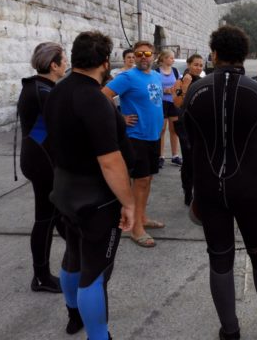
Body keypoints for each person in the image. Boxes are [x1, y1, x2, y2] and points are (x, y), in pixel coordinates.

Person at [182, 26, 257, 340]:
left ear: (214, 54)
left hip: (209, 188)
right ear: (245, 56)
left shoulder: (196, 89)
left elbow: (188, 137)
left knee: (220, 258)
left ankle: (230, 331)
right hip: (249, 187)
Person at [45, 31, 136, 339]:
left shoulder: (57, 90)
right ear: (104, 62)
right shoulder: (95, 100)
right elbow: (110, 161)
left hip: (65, 191)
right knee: (95, 272)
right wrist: (129, 202)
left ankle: (74, 315)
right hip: (96, 201)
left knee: (73, 256)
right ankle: (99, 335)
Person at [103, 41, 165, 248]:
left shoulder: (155, 75)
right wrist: (120, 117)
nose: (143, 57)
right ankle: (136, 228)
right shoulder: (127, 77)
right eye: (139, 54)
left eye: (147, 53)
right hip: (136, 137)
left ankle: (142, 217)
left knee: (147, 179)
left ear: (154, 55)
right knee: (140, 181)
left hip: (153, 135)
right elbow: (103, 96)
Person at [17, 42, 68, 293]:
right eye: (64, 60)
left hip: (39, 157)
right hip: (42, 161)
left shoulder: (38, 87)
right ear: (54, 65)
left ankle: (82, 254)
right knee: (46, 218)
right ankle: (41, 276)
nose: (67, 63)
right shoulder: (43, 91)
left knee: (58, 214)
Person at [172, 53, 205, 205]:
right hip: (184, 124)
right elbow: (178, 103)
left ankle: (198, 191)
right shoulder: (180, 81)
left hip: (200, 124)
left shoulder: (203, 82)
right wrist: (185, 85)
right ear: (188, 64)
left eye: (201, 65)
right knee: (189, 158)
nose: (198, 68)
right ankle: (187, 190)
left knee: (200, 158)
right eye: (195, 64)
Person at [156, 49, 182, 168]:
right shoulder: (156, 72)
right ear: (164, 58)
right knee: (162, 130)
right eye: (171, 58)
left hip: (173, 103)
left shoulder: (175, 71)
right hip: (161, 103)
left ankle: (175, 156)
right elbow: (151, 87)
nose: (173, 60)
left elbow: (179, 85)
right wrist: (164, 90)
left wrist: (176, 90)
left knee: (174, 130)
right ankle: (160, 156)